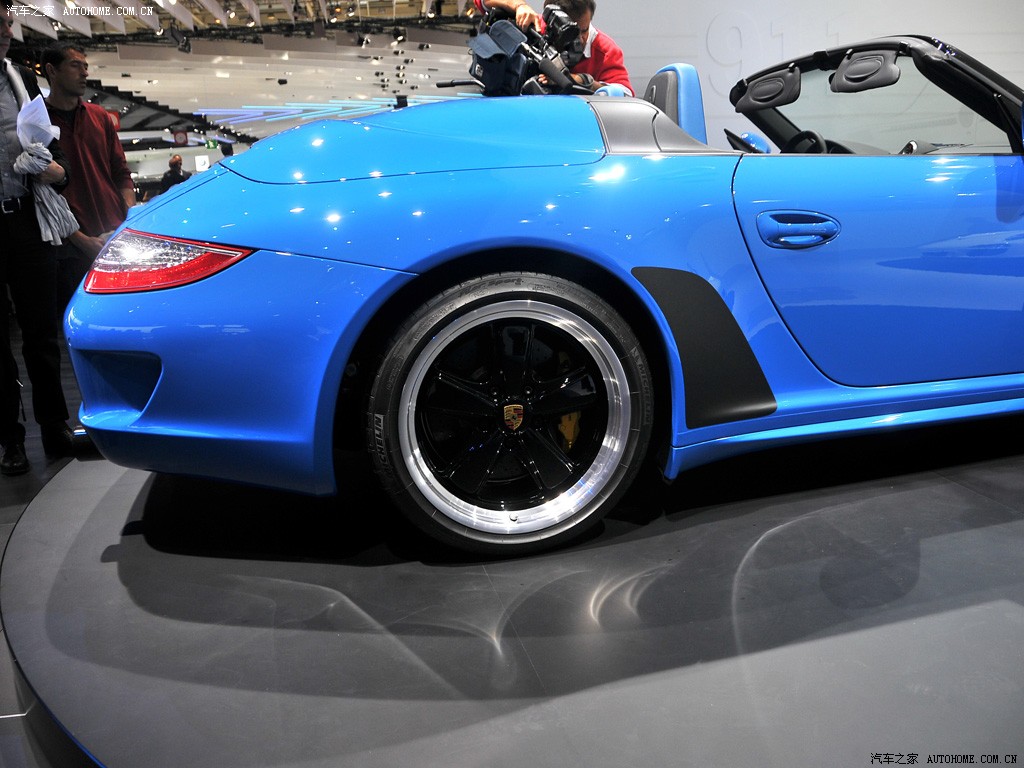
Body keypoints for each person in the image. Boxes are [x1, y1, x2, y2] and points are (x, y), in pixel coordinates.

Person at [1, 0, 75, 475]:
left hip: (28, 219)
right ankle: (10, 438)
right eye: (0, 23)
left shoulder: (20, 77)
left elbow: (48, 140)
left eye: (8, 21)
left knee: (41, 332)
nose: (7, 30)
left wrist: (59, 171)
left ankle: (54, 426)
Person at [42, 42, 136, 315]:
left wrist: (128, 220)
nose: (84, 72)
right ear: (51, 70)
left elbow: (121, 173)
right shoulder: (38, 122)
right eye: (75, 65)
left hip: (114, 235)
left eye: (85, 66)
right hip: (69, 245)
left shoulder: (100, 117)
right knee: (80, 321)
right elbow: (42, 193)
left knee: (125, 314)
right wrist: (80, 239)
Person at [473, 0, 633, 95]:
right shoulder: (534, 28)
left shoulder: (605, 50)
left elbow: (625, 94)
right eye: (572, 33)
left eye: (585, 30)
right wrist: (518, 5)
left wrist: (579, 81)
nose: (581, 39)